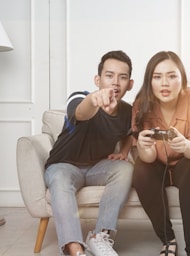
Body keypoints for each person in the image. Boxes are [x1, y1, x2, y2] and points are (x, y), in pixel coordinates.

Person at [44, 50, 134, 256]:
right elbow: (80, 112)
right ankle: (74, 249)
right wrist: (94, 100)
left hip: (96, 168)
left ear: (130, 84)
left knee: (125, 168)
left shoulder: (128, 112)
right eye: (109, 75)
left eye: (123, 77)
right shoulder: (80, 97)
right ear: (97, 79)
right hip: (63, 165)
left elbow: (131, 134)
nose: (116, 82)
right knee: (58, 177)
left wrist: (125, 151)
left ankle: (99, 236)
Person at [131, 51, 190, 256]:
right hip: (159, 163)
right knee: (140, 169)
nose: (165, 83)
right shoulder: (141, 105)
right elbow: (149, 159)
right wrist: (144, 148)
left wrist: (185, 144)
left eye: (172, 76)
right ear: (150, 80)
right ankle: (168, 240)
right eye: (157, 77)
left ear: (182, 78)